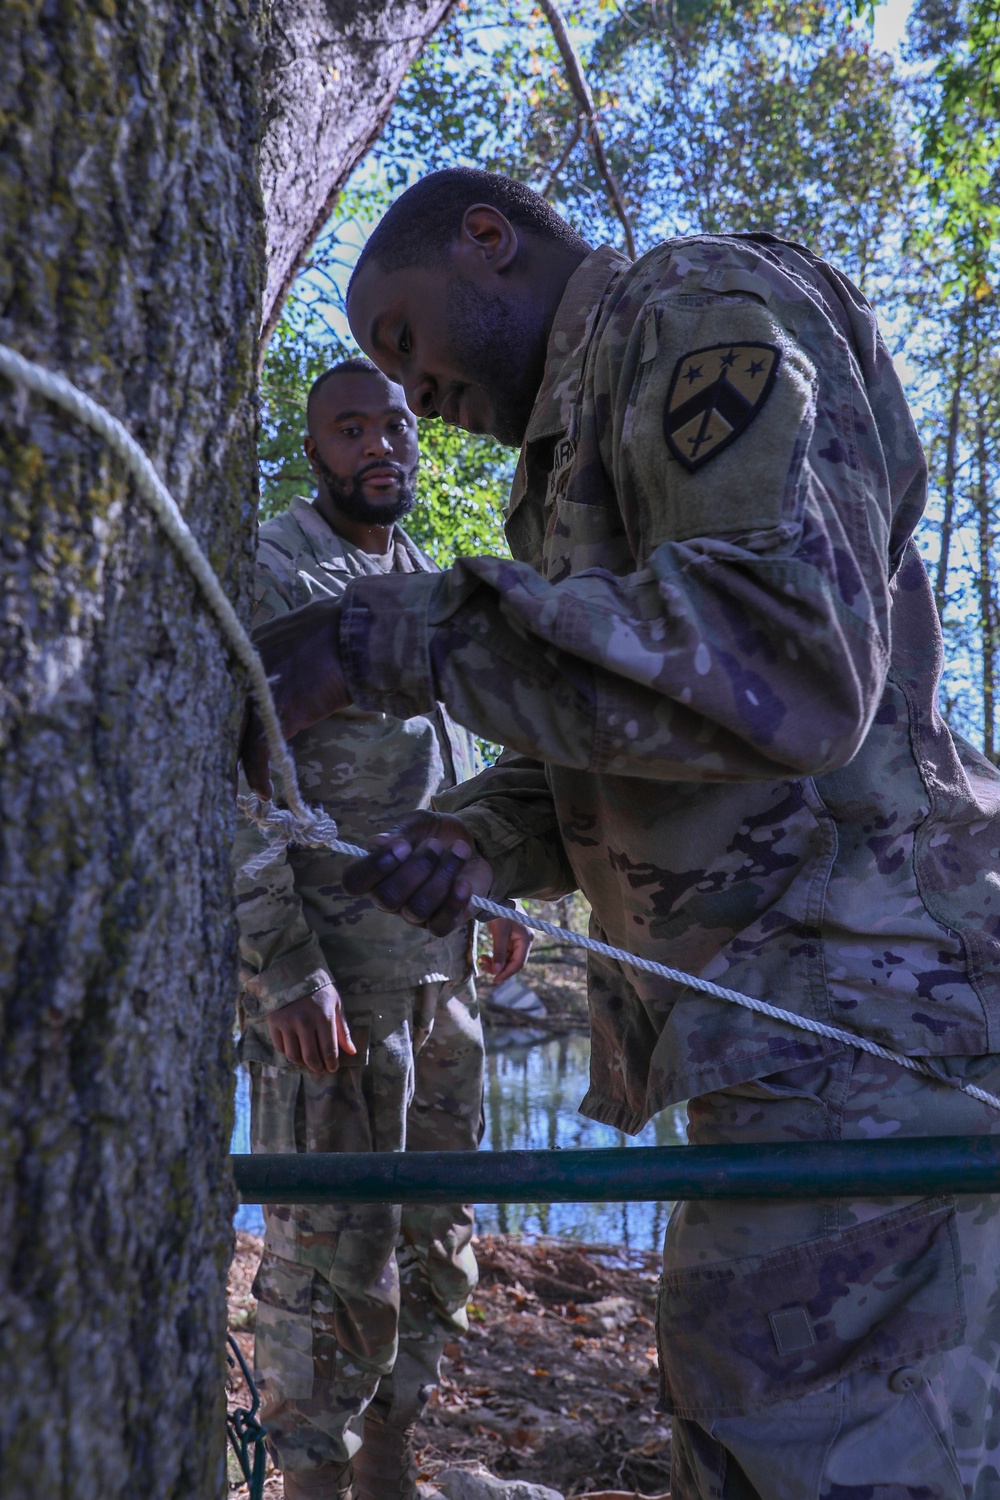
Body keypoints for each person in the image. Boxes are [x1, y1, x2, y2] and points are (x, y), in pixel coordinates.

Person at [241, 170, 1000, 1498]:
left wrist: (385, 637)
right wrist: (481, 833)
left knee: (820, 1446)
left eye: (405, 343)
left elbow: (789, 660)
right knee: (745, 1407)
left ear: (490, 240)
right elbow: (632, 721)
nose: (411, 398)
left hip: (884, 1020)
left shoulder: (694, 305)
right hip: (794, 1036)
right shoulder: (565, 455)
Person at [233, 356, 531, 1500]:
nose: (379, 447)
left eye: (395, 426)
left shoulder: (431, 580)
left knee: (432, 1240)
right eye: (350, 429)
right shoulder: (272, 566)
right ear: (315, 449)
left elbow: (455, 765)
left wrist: (501, 894)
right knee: (328, 1252)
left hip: (441, 980)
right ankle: (311, 1483)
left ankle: (391, 1468)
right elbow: (227, 778)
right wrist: (282, 961)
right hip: (333, 991)